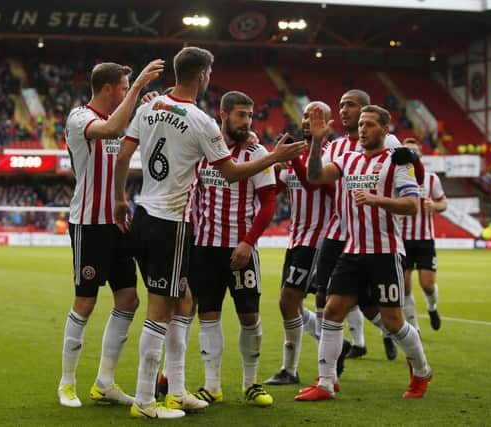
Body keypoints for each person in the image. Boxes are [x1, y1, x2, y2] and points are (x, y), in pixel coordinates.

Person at [114, 46, 306, 419]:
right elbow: (232, 172)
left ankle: (180, 388)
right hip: (172, 223)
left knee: (184, 302)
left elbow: (123, 156)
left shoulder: (148, 108)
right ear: (203, 75)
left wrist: (121, 200)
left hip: (142, 214)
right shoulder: (201, 122)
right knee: (162, 311)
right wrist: (275, 158)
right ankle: (145, 400)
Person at [295, 104, 432, 402]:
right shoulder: (348, 159)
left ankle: (422, 372)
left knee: (393, 322)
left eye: (370, 125)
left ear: (385, 130)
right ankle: (326, 383)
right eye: (361, 125)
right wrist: (317, 142)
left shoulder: (397, 163)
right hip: (352, 250)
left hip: (384, 253)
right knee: (331, 311)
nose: (363, 130)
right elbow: (315, 176)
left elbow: (411, 205)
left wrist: (375, 199)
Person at [58, 59, 165, 408]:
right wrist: (137, 93)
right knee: (86, 302)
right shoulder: (80, 117)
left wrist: (148, 109)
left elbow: (127, 134)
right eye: (123, 86)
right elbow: (110, 130)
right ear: (107, 89)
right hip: (89, 224)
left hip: (117, 222)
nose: (126, 91)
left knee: (128, 299)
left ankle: (104, 382)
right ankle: (67, 383)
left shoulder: (115, 119)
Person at [188, 91, 277, 407]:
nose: (246, 122)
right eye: (240, 115)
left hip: (241, 249)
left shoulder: (257, 153)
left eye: (249, 116)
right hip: (205, 248)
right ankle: (212, 386)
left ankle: (251, 383)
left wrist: (248, 242)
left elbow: (268, 203)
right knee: (208, 314)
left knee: (249, 316)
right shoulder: (204, 148)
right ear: (223, 115)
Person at [309, 90, 406, 363]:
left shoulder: (390, 142)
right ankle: (331, 363)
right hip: (339, 230)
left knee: (367, 302)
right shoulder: (336, 147)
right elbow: (316, 176)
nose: (343, 111)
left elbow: (409, 171)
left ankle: (391, 334)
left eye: (350, 105)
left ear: (366, 109)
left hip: (372, 236)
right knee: (322, 296)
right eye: (340, 106)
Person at [264, 101, 335, 386]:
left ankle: (291, 369)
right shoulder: (297, 153)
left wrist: (291, 159)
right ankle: (325, 339)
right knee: (288, 303)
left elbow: (312, 182)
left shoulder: (331, 155)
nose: (307, 120)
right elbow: (278, 187)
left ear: (328, 123)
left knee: (289, 300)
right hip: (296, 239)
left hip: (317, 240)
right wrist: (273, 162)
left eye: (315, 116)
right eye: (305, 115)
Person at [400, 138, 447, 332]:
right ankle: (414, 328)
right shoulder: (397, 176)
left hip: (425, 239)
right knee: (405, 286)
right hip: (402, 240)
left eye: (415, 152)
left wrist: (434, 206)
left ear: (420, 154)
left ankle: (432, 307)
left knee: (427, 285)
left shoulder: (431, 178)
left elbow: (444, 203)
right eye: (408, 152)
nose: (412, 156)